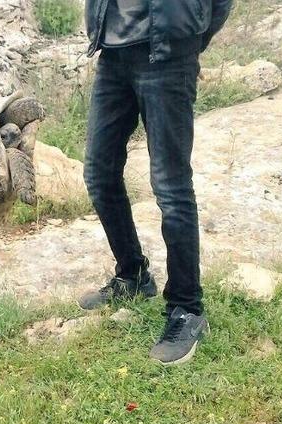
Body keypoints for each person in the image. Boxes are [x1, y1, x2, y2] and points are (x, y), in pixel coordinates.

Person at [79, 0, 232, 365]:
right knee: (99, 173)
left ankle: (187, 309)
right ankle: (132, 275)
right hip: (113, 54)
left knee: (171, 186)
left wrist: (189, 39)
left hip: (169, 54)